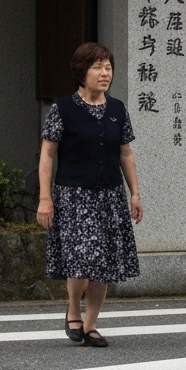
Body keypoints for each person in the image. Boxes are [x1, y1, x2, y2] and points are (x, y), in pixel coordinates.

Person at [37, 42, 143, 348]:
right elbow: (47, 154)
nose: (104, 72)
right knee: (81, 261)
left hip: (109, 195)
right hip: (73, 195)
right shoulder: (63, 108)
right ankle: (73, 308)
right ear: (81, 72)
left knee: (103, 265)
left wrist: (135, 193)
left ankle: (91, 323)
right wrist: (45, 198)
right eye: (98, 67)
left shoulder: (117, 109)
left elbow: (126, 153)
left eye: (108, 66)